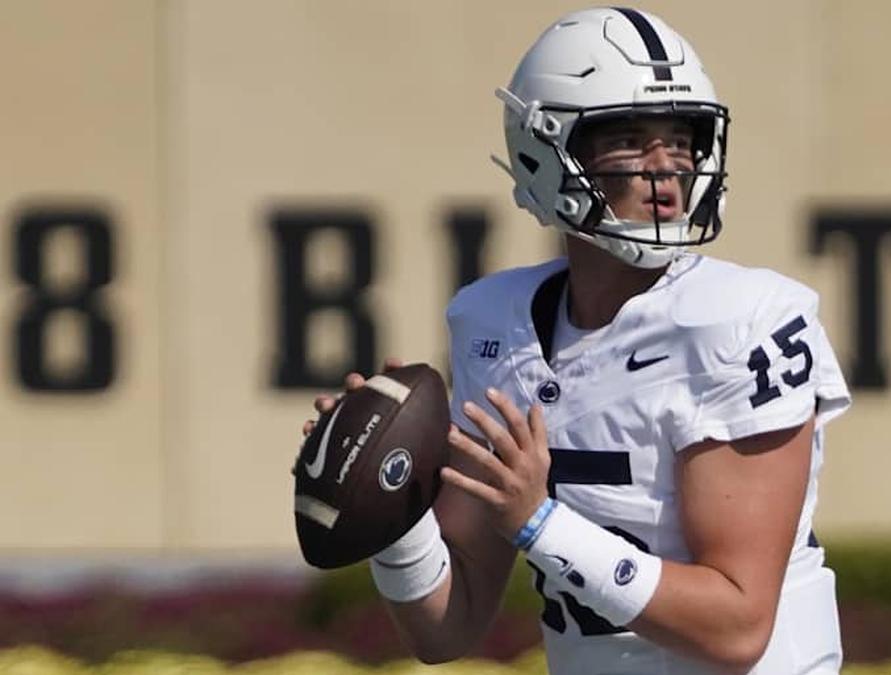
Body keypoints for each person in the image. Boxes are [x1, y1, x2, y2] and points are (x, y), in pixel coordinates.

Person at [306, 7, 850, 674]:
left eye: (681, 140)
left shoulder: (742, 320)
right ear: (545, 149)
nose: (667, 170)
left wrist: (539, 523)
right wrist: (391, 510)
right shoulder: (495, 327)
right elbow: (445, 630)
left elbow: (737, 626)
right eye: (628, 139)